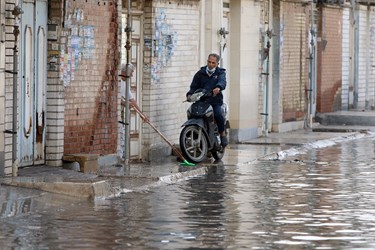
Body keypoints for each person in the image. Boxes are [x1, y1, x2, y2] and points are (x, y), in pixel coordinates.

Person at [186, 53, 228, 147]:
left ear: (217, 63)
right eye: (209, 62)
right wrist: (189, 95)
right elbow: (193, 86)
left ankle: (222, 135)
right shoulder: (200, 73)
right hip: (202, 101)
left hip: (215, 101)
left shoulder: (220, 73)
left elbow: (222, 82)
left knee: (218, 115)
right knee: (191, 112)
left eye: (213, 63)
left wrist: (218, 87)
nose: (210, 64)